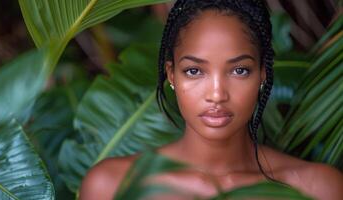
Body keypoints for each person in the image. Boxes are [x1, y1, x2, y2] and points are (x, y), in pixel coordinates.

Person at [79, 0, 343, 199]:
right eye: (194, 71)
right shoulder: (112, 186)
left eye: (239, 70)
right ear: (172, 75)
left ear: (262, 74)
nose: (217, 94)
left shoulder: (316, 189)